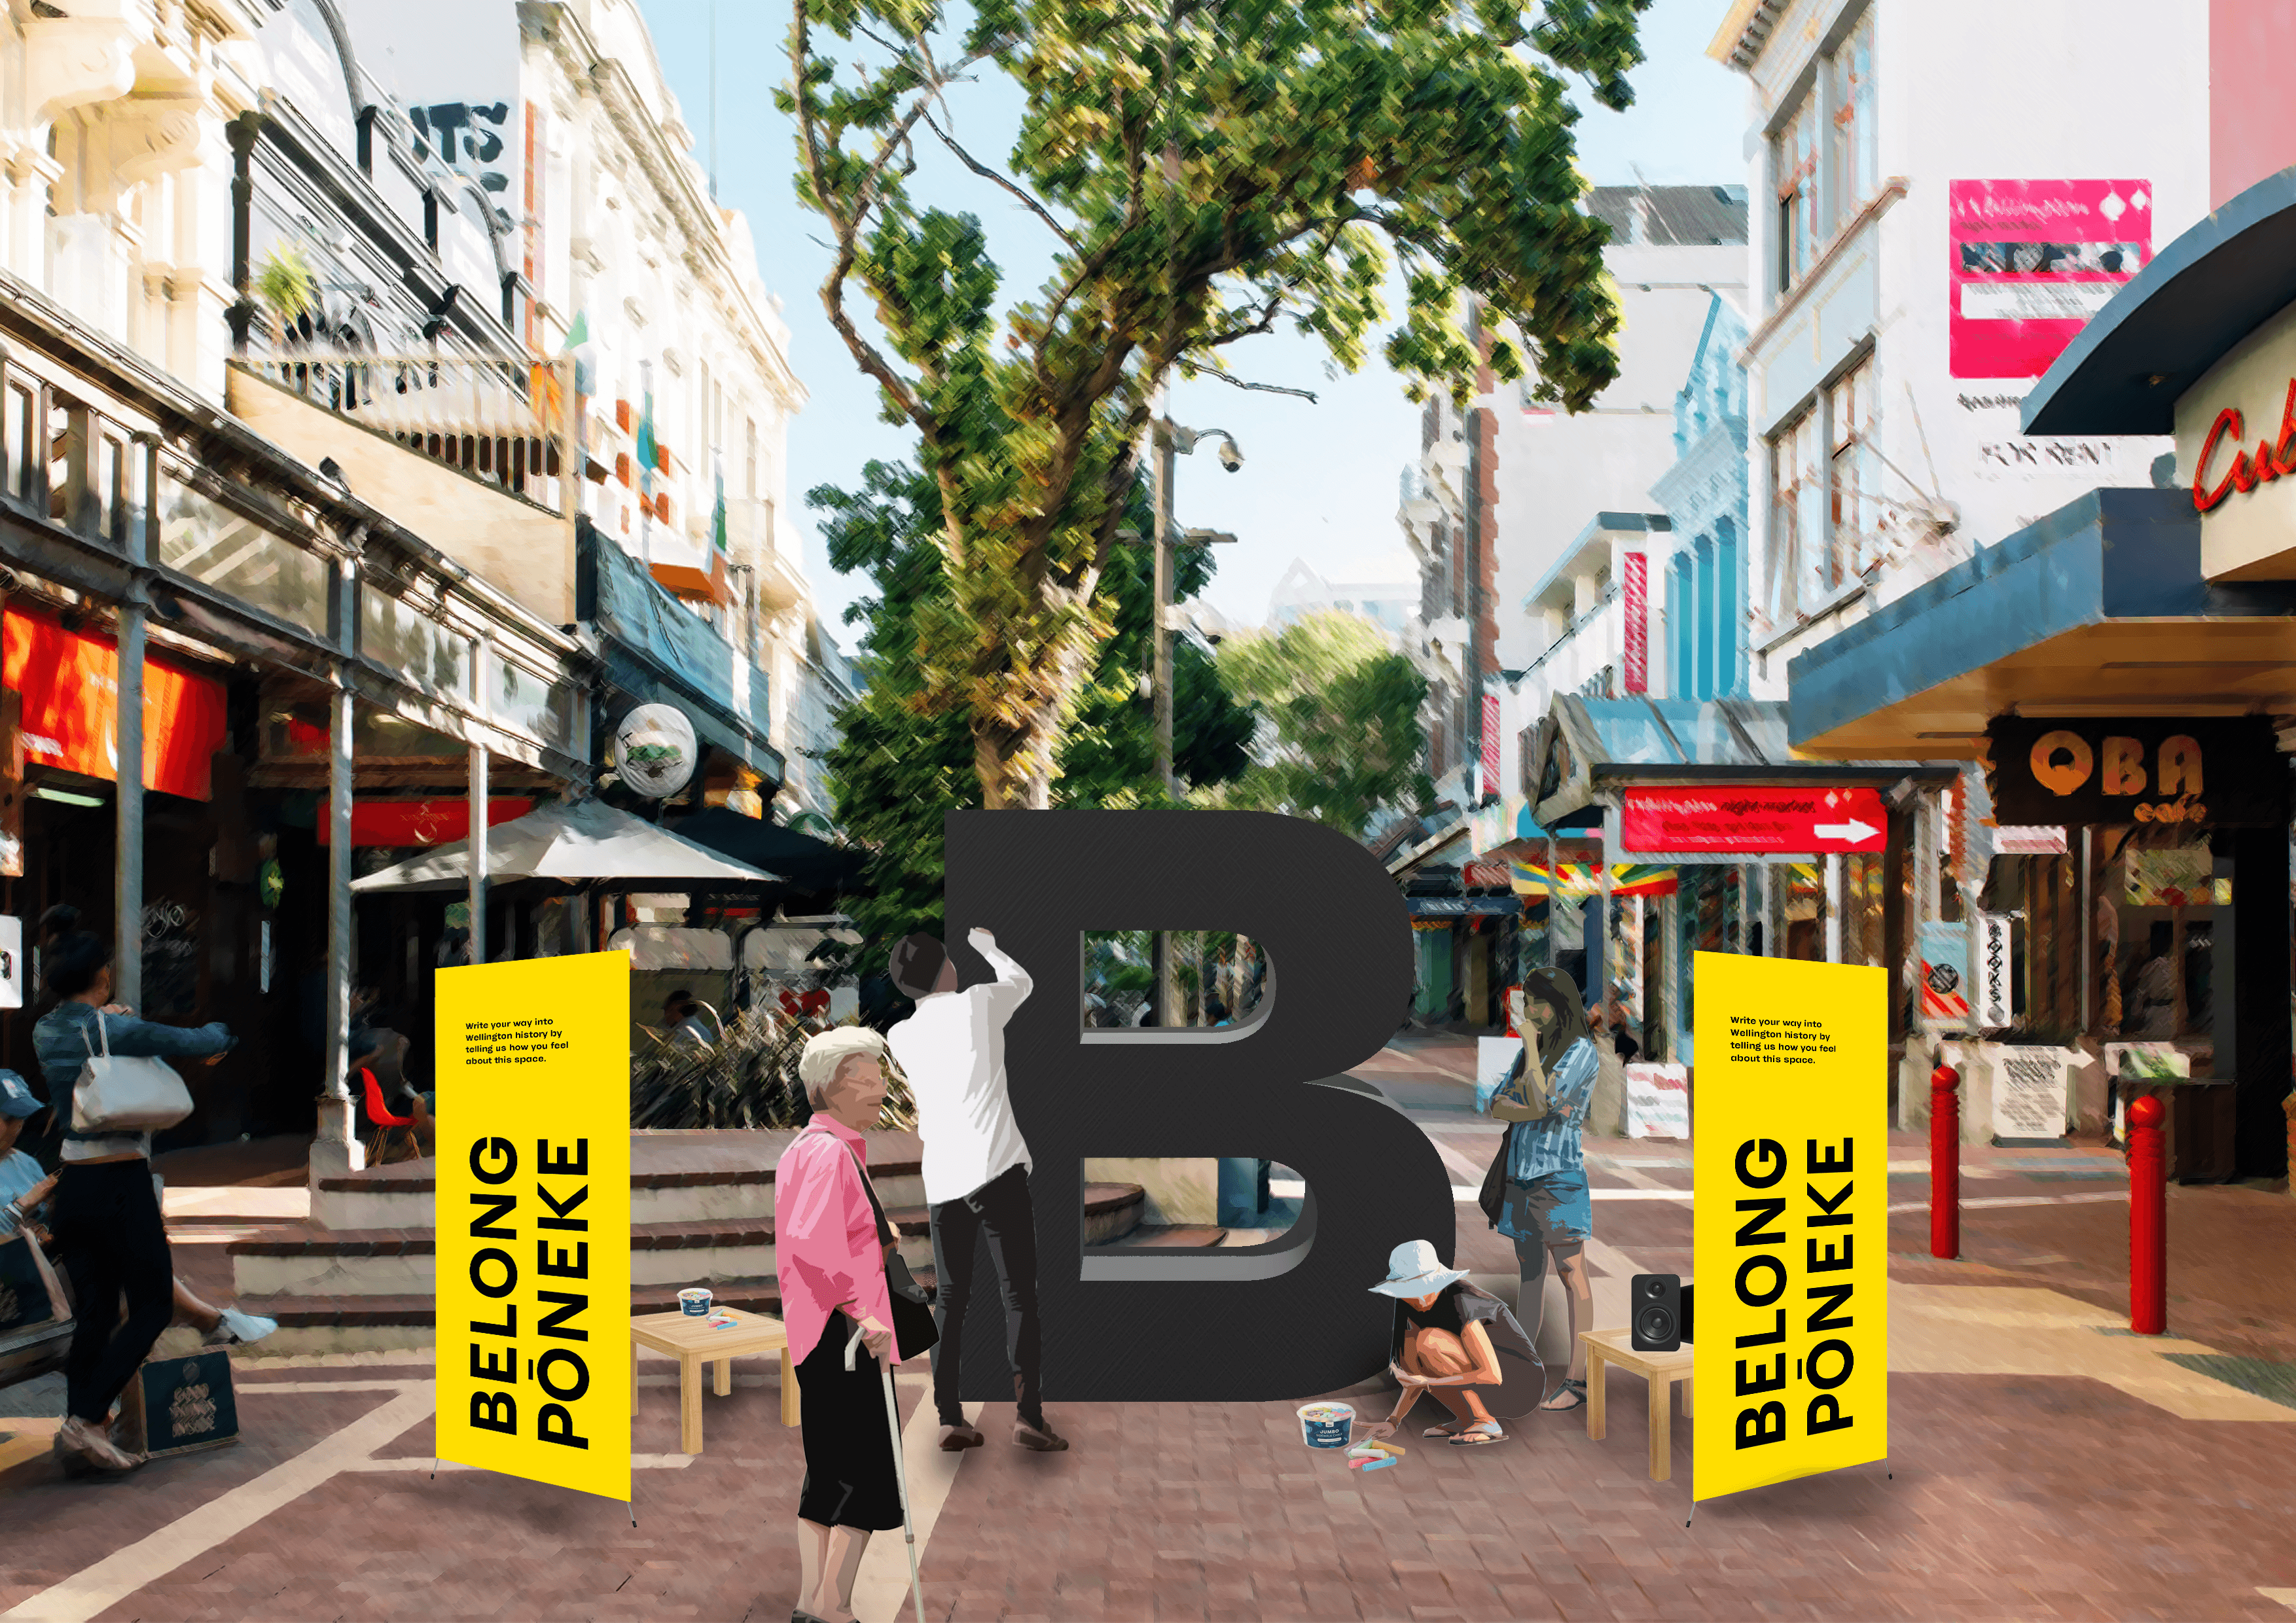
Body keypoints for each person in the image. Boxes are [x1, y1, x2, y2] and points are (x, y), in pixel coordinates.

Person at [31, 906, 240, 1473]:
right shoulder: (114, 1027)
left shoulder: (45, 1029)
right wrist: (224, 1036)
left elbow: (87, 1032)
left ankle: (84, 1426)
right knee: (149, 1306)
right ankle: (86, 1417)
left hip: (72, 1185)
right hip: (121, 1181)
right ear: (103, 977)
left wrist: (109, 1018)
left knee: (95, 1314)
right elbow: (196, 1040)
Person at [884, 927, 1066, 1454]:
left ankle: (948, 1418)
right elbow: (1022, 981)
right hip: (996, 1169)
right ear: (947, 969)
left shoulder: (902, 1037)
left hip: (943, 1179)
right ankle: (1029, 1417)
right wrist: (988, 946)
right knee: (1018, 1298)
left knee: (951, 1302)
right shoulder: (980, 1004)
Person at [777, 1027, 913, 1623]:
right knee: (865, 1470)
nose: (883, 1087)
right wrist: (864, 1315)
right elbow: (812, 1245)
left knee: (830, 1467)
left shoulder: (815, 1148)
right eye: (871, 1076)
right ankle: (832, 1606)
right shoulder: (830, 1153)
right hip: (846, 1335)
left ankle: (813, 1600)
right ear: (833, 1086)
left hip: (823, 1332)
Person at [1, 1072, 276, 1348]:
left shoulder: (22, 1162)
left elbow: (46, 1224)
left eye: (21, 1117)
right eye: (9, 1119)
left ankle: (207, 1324)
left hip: (48, 1269)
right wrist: (25, 1205)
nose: (18, 1127)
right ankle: (210, 1322)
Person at [1475, 969, 1600, 1414]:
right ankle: (1526, 1373)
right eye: (1526, 1003)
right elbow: (1498, 1103)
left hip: (1558, 1176)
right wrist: (1530, 1100)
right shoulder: (1542, 1049)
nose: (1530, 1013)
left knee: (1571, 1272)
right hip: (1519, 1175)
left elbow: (1542, 1101)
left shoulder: (1581, 1052)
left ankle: (1579, 1381)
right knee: (1530, 1272)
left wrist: (1529, 1051)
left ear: (1559, 1005)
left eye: (1537, 1004)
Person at [1356, 1240, 1545, 1446]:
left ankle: (1485, 1422)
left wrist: (1428, 1383)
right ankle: (1468, 1419)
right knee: (1417, 1350)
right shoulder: (1406, 1301)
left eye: (1422, 1288)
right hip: (1483, 1383)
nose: (1416, 1298)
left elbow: (1491, 1375)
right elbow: (1414, 1375)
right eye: (1409, 1290)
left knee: (1429, 1342)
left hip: (1520, 1385)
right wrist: (1393, 1421)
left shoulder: (1461, 1300)